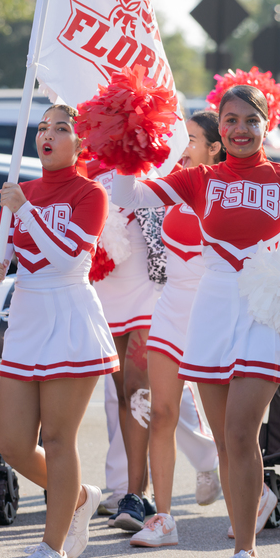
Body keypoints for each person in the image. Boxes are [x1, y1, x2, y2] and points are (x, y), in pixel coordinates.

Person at [111, 84, 280, 558]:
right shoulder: (200, 178)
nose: (240, 129)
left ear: (267, 125)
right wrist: (124, 149)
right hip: (213, 307)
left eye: (251, 120)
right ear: (219, 128)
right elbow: (131, 196)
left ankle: (246, 549)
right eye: (231, 120)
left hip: (267, 309)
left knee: (242, 431)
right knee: (225, 440)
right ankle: (244, 535)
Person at [0, 104, 117, 558]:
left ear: (81, 143)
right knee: (13, 444)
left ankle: (51, 545)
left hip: (69, 313)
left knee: (59, 439)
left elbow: (65, 259)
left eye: (62, 129)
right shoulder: (21, 189)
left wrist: (27, 210)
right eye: (43, 127)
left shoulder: (91, 193)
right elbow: (3, 248)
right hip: (25, 316)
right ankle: (78, 496)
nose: (48, 135)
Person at [130, 111, 224, 548]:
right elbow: (128, 196)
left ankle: (255, 493)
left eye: (190, 138)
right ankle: (163, 519)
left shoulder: (225, 190)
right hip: (171, 307)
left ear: (214, 146)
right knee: (162, 412)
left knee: (225, 426)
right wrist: (125, 151)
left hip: (211, 309)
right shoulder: (174, 182)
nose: (182, 146)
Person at [86, 158, 163, 529]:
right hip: (107, 294)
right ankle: (137, 489)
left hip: (147, 292)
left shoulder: (150, 170)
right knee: (120, 392)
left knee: (137, 388)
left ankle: (134, 494)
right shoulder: (84, 173)